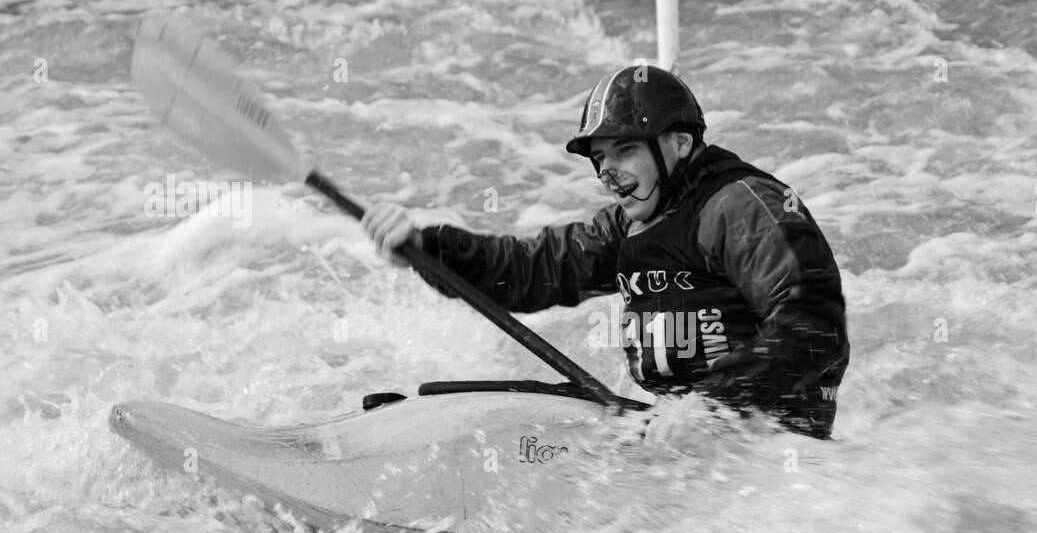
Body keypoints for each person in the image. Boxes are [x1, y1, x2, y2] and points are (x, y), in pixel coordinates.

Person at [361, 65, 850, 441]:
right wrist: (427, 248)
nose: (608, 173)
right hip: (679, 437)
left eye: (624, 152)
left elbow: (813, 328)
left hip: (770, 450)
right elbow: (530, 269)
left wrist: (710, 407)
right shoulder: (629, 224)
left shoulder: (740, 206)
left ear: (679, 143)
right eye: (600, 160)